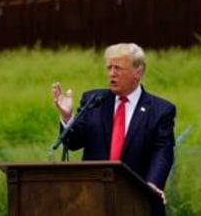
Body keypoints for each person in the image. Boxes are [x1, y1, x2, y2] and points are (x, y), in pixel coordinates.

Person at [51, 43, 175, 214]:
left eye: (118, 68)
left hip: (137, 202)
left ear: (138, 71)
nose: (111, 73)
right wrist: (67, 117)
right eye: (109, 67)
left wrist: (152, 184)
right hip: (93, 200)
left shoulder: (160, 110)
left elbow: (162, 151)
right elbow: (74, 142)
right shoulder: (93, 100)